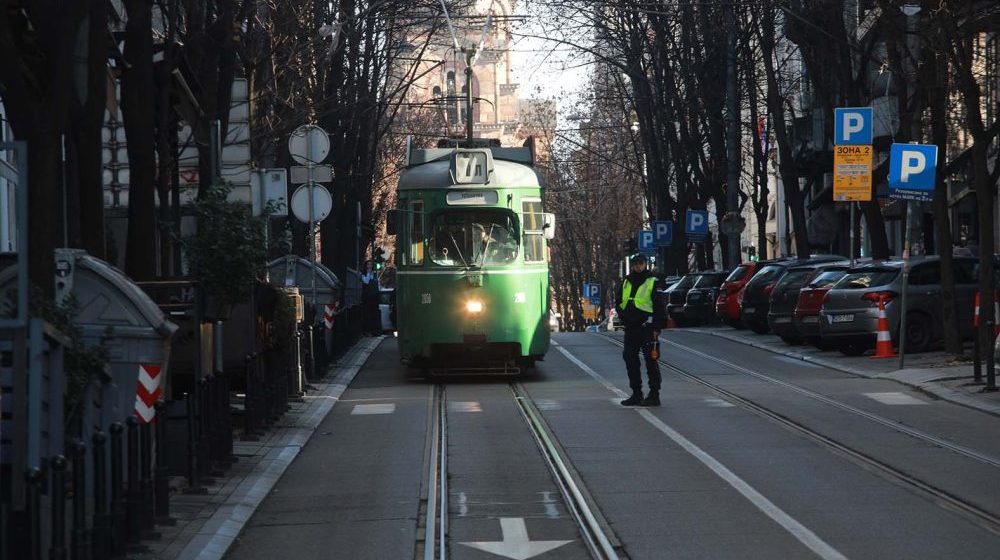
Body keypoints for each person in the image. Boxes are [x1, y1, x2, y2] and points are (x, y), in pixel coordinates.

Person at [615, 254, 665, 406]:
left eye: (640, 263)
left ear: (645, 264)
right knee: (630, 359)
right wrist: (623, 317)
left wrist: (656, 327)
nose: (638, 266)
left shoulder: (653, 281)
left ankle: (654, 394)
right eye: (635, 263)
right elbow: (619, 301)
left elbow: (659, 306)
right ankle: (636, 393)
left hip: (647, 328)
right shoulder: (625, 282)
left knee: (651, 360)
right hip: (631, 328)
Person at [360, 260, 380, 335]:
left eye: (371, 265)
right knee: (368, 313)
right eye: (368, 264)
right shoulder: (364, 274)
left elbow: (377, 283)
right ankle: (368, 330)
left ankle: (375, 330)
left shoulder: (375, 274)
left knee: (374, 313)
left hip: (374, 296)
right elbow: (366, 282)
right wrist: (368, 273)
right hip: (367, 297)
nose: (370, 266)